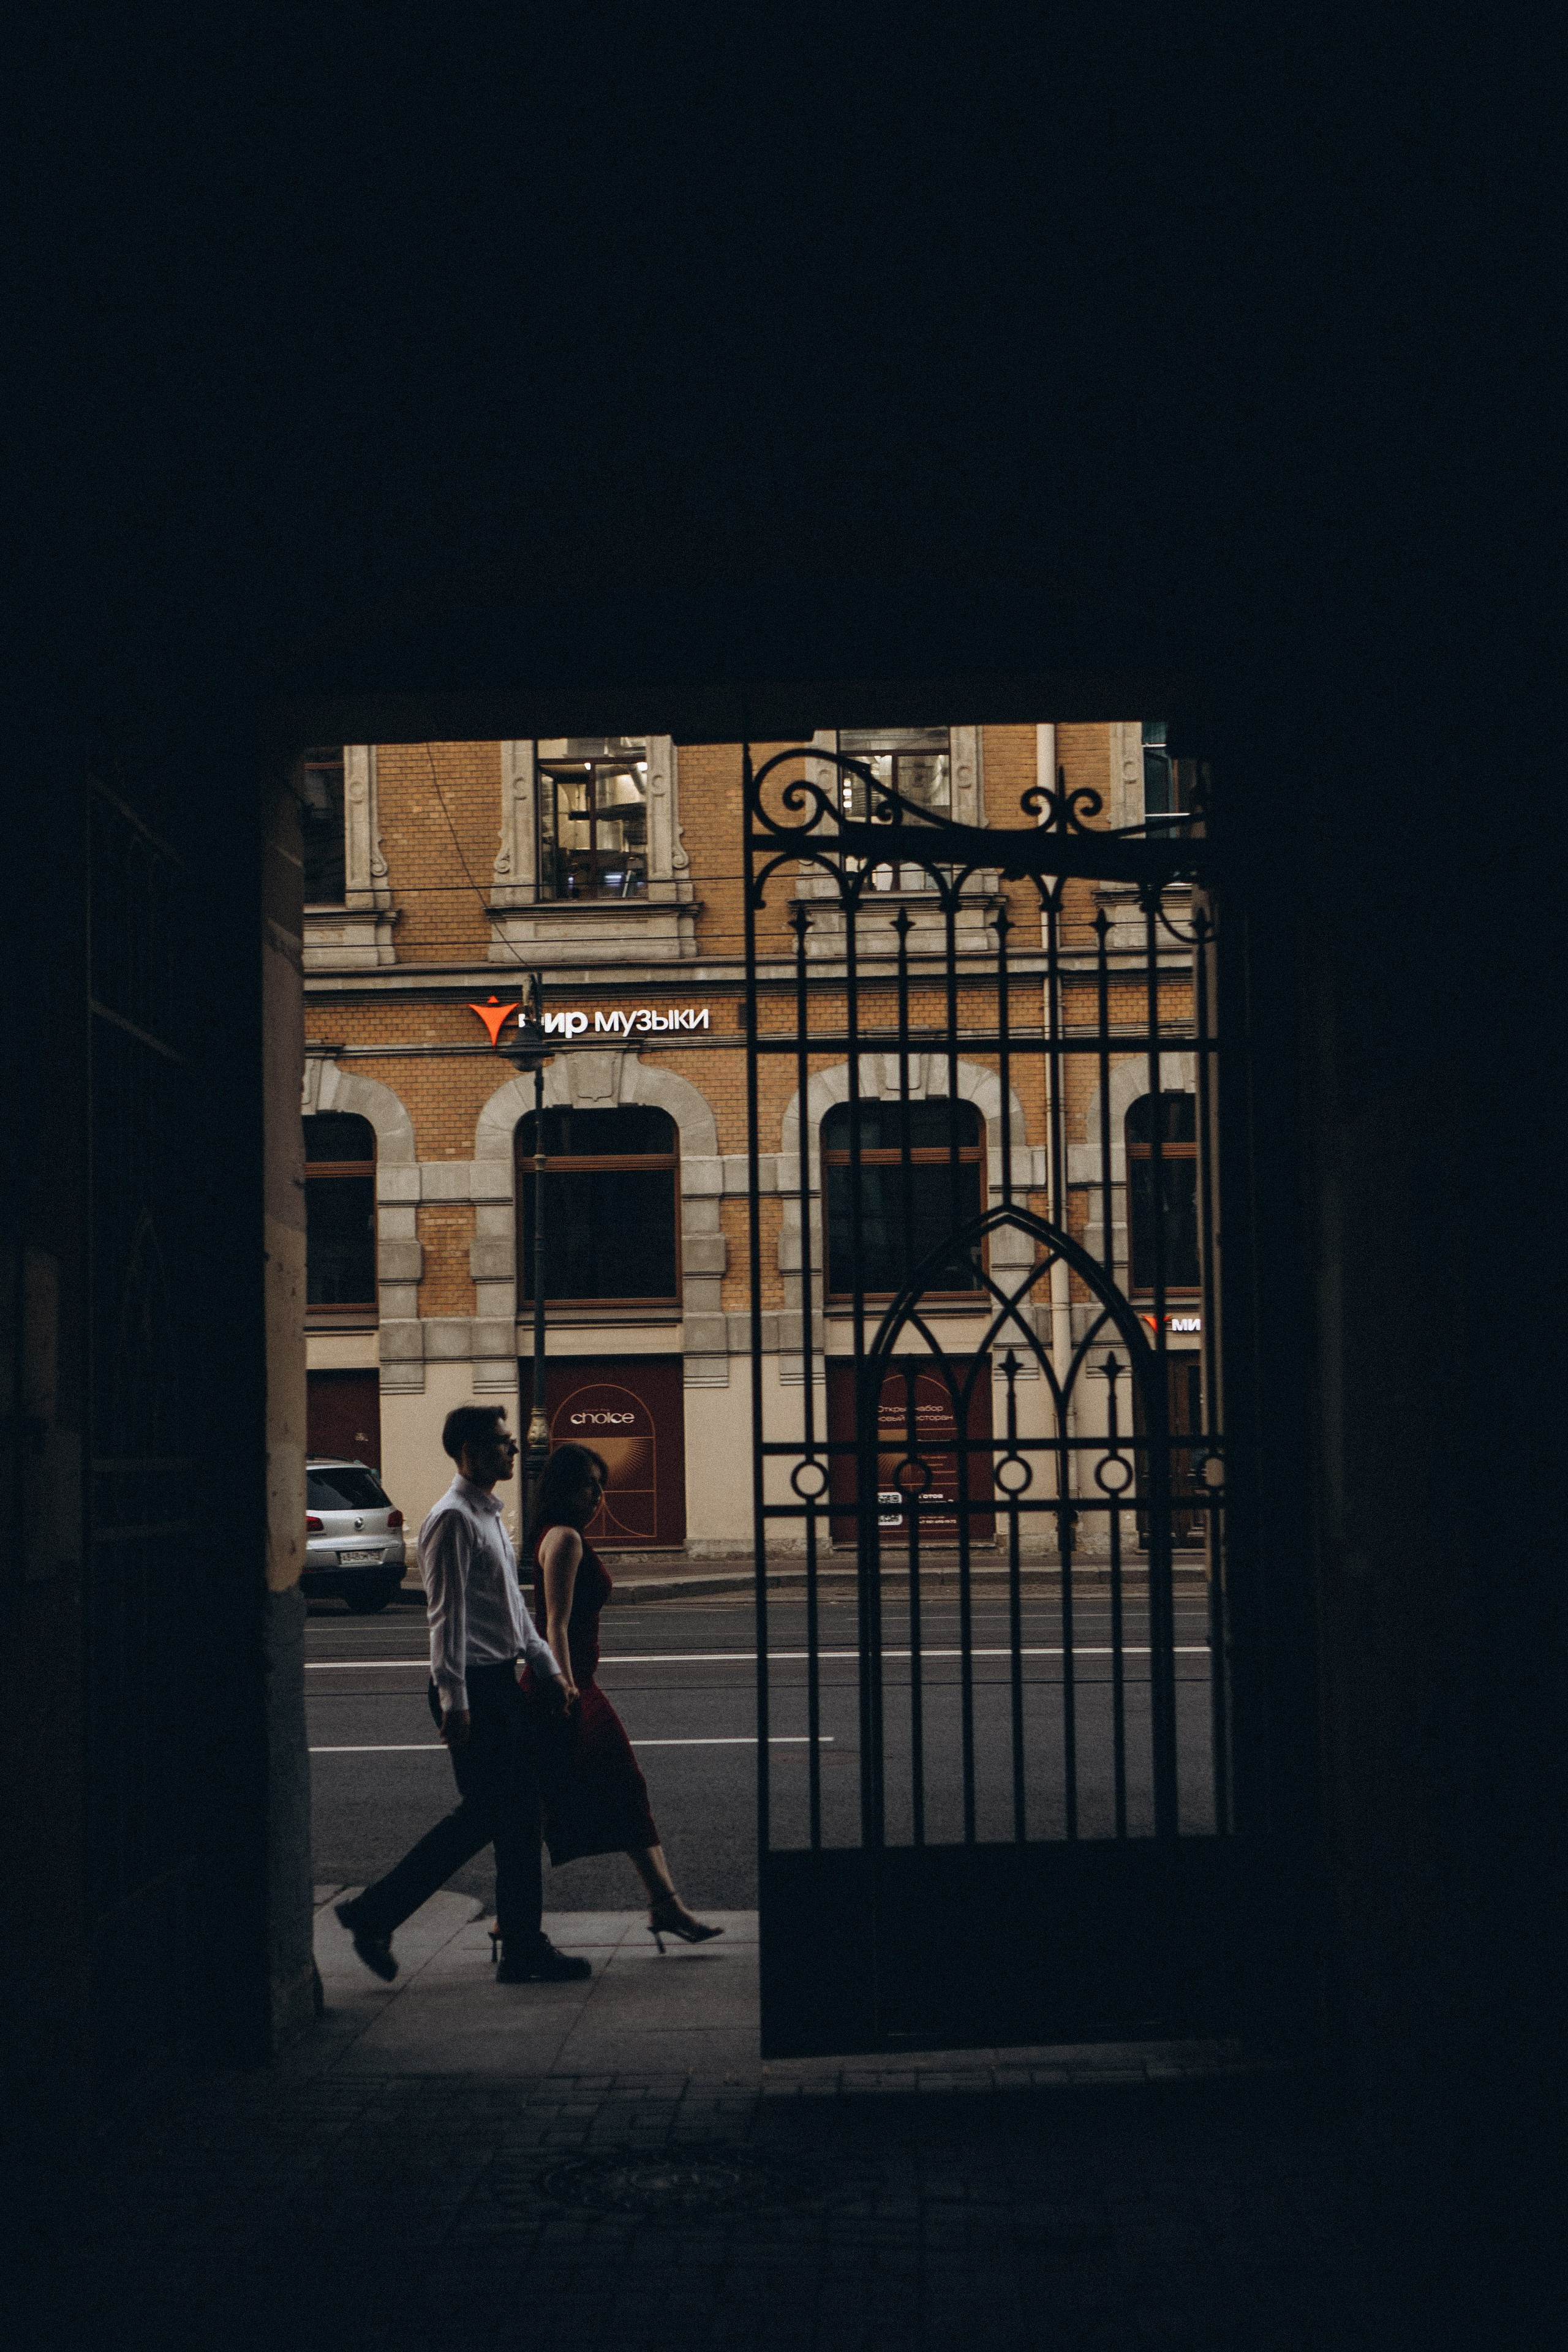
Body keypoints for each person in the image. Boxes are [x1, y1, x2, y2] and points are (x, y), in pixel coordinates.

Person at [335, 1405, 592, 1986]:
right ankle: (514, 1944)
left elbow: (510, 1609)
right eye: (503, 1442)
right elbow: (444, 1618)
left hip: (498, 1683)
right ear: (471, 1451)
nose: (514, 1450)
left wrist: (547, 1666)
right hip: (474, 1688)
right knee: (508, 1815)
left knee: (502, 1816)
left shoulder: (490, 1516)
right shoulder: (451, 1520)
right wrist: (455, 1703)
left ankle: (379, 1913)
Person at [523, 1442, 722, 1951]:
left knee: (545, 1805)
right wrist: (567, 1689)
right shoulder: (565, 1539)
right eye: (589, 1483)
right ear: (564, 1485)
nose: (597, 1495)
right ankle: (664, 1906)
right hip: (568, 1688)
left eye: (601, 1486)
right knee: (603, 1791)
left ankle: (663, 1905)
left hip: (565, 1685)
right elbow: (555, 1624)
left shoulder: (559, 1534)